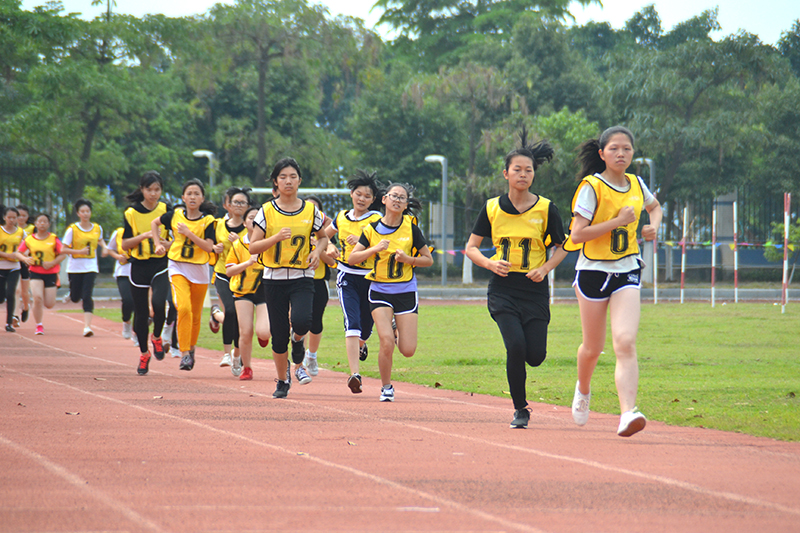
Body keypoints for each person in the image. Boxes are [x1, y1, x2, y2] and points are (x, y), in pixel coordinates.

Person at [465, 131, 568, 429]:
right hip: (503, 289)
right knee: (516, 347)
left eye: (529, 170)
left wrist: (546, 268)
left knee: (535, 356)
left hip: (534, 289)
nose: (523, 174)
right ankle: (520, 408)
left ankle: (522, 389)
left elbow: (563, 246)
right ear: (506, 173)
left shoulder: (547, 208)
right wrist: (489, 262)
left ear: (534, 174)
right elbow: (471, 247)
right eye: (517, 169)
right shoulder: (492, 207)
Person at [564, 125, 662, 437]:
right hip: (593, 272)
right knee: (593, 348)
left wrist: (653, 227)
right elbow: (577, 235)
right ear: (602, 153)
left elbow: (655, 207)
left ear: (633, 154)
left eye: (627, 149)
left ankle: (627, 412)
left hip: (628, 270)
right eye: (615, 149)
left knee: (625, 341)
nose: (621, 154)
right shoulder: (591, 187)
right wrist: (617, 222)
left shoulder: (636, 183)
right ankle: (583, 388)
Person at [249, 157, 328, 399]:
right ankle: (282, 380)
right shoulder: (266, 211)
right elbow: (253, 247)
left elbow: (323, 236)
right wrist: (274, 239)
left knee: (304, 321)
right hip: (273, 278)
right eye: (283, 177)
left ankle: (298, 340)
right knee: (279, 334)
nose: (288, 181)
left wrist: (317, 251)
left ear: (300, 180)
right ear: (275, 182)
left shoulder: (310, 210)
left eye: (293, 176)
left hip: (302, 276)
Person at [348, 183, 433, 402]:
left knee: (407, 350)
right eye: (393, 196)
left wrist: (408, 260)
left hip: (405, 292)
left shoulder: (411, 228)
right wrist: (374, 249)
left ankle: (396, 326)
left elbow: (428, 260)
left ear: (406, 205)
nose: (397, 200)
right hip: (379, 292)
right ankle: (386, 387)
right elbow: (352, 259)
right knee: (386, 341)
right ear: (384, 199)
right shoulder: (371, 229)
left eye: (402, 198)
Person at [324, 171, 383, 393]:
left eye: (367, 196)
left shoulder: (376, 219)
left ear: (373, 200)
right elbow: (323, 236)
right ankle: (354, 375)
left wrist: (363, 242)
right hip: (347, 276)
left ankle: (362, 343)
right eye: (358, 194)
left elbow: (385, 242)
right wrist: (330, 246)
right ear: (351, 194)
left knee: (366, 328)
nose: (361, 199)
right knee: (352, 324)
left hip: (371, 278)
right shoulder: (341, 217)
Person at [151, 178, 216, 372]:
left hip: (200, 270)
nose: (193, 197)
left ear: (202, 198)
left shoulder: (208, 221)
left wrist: (189, 233)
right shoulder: (174, 215)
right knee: (184, 308)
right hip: (178, 267)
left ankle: (191, 349)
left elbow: (209, 247)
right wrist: (157, 243)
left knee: (195, 315)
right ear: (183, 197)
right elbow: (155, 224)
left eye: (197, 193)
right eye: (189, 193)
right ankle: (185, 353)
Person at [121, 171, 172, 375]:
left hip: (161, 264)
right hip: (139, 266)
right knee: (141, 314)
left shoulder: (166, 209)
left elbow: (175, 240)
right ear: (142, 189)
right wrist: (145, 235)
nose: (153, 193)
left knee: (159, 304)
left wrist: (166, 244)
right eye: (149, 189)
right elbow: (125, 244)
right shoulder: (131, 213)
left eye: (157, 189)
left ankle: (157, 337)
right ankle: (144, 354)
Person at [225, 206, 270, 380]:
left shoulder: (269, 243)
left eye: (258, 217)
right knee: (245, 331)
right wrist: (247, 263)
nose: (255, 220)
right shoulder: (238, 245)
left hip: (264, 291)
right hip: (242, 291)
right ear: (245, 223)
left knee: (264, 332)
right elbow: (229, 271)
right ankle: (247, 367)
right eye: (251, 217)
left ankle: (263, 336)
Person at [209, 187, 251, 373]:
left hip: (244, 278)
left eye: (243, 203)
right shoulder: (217, 225)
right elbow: (207, 244)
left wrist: (238, 243)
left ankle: (237, 354)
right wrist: (213, 248)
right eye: (236, 202)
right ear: (228, 204)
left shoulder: (251, 228)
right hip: (223, 274)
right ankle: (227, 353)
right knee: (232, 311)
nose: (239, 205)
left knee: (241, 320)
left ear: (248, 206)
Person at [61, 199, 108, 337]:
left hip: (90, 267)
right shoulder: (72, 229)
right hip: (75, 267)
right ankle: (72, 294)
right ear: (78, 213)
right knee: (76, 298)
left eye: (87, 211)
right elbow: (63, 249)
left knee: (87, 296)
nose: (85, 214)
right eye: (82, 211)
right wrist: (79, 252)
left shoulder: (97, 228)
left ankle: (87, 327)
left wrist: (104, 248)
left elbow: (99, 239)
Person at [15, 213, 66, 335]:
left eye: (45, 222)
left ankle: (50, 291)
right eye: (40, 221)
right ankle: (39, 325)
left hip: (51, 273)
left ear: (48, 224)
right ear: (36, 224)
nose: (42, 224)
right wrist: (25, 259)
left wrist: (53, 262)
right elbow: (18, 253)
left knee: (49, 304)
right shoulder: (30, 239)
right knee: (37, 298)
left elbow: (63, 254)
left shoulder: (53, 238)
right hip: (35, 272)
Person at [302, 195, 336, 379]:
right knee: (297, 320)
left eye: (315, 209)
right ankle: (298, 355)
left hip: (318, 281)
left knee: (315, 322)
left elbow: (332, 262)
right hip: (297, 280)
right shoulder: (294, 231)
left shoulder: (324, 236)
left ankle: (312, 355)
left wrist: (318, 248)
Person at [106, 225, 136, 344]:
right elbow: (110, 249)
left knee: (139, 304)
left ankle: (137, 333)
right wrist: (118, 256)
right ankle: (126, 321)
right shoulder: (119, 232)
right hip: (123, 272)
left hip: (140, 272)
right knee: (127, 300)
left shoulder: (144, 231)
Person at [0, 207, 25, 332]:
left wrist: (24, 256)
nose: (11, 220)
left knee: (11, 294)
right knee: (1, 297)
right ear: (4, 217)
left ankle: (9, 322)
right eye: (9, 217)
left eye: (14, 218)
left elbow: (28, 246)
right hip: (1, 266)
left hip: (14, 268)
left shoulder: (21, 232)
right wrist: (7, 255)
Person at [14, 203, 33, 325]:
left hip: (26, 262)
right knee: (16, 290)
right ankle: (15, 316)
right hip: (13, 261)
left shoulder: (32, 229)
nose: (21, 218)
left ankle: (26, 307)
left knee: (24, 292)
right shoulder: (8, 229)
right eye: (18, 215)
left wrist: (26, 255)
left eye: (23, 215)